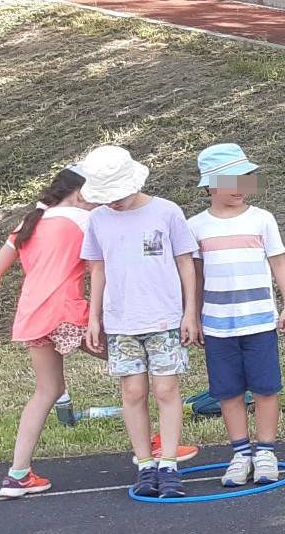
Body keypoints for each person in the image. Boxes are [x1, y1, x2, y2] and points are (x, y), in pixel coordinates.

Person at [77, 144, 203, 500]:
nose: (113, 202)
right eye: (106, 196)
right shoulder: (98, 219)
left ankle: (168, 464)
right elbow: (97, 269)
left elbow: (185, 264)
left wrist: (189, 311)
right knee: (132, 392)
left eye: (117, 194)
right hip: (121, 321)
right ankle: (145, 464)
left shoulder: (166, 212)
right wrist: (94, 317)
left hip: (163, 317)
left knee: (166, 390)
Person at [0, 165, 97, 499]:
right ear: (82, 194)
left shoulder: (30, 222)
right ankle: (152, 449)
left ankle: (17, 475)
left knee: (48, 390)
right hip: (68, 312)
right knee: (133, 365)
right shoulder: (84, 220)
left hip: (32, 317)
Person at [187, 144, 285, 487]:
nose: (240, 186)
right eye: (230, 179)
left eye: (246, 177)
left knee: (266, 388)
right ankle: (240, 453)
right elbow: (195, 275)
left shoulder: (262, 219)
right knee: (228, 392)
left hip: (259, 320)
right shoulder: (195, 226)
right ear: (209, 186)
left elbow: (278, 262)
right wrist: (192, 315)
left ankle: (266, 450)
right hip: (217, 324)